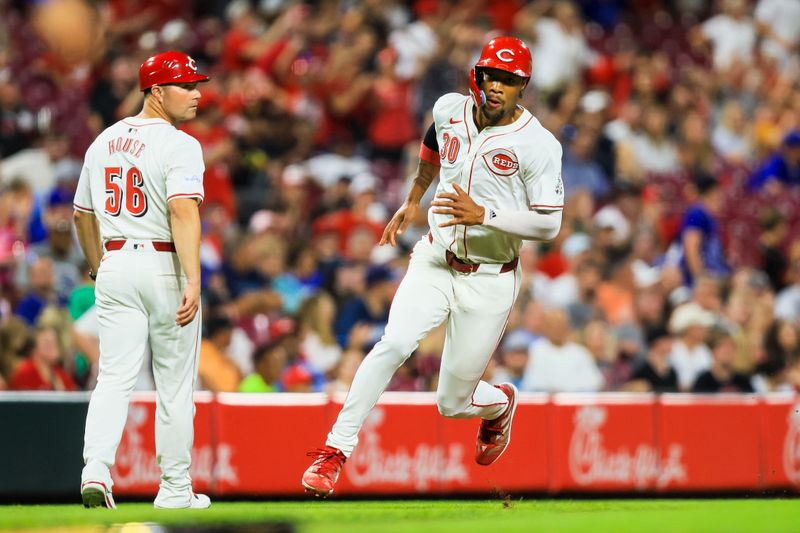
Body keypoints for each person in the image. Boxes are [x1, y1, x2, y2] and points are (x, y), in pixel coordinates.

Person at [302, 36, 564, 497]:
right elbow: (431, 146)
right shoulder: (448, 109)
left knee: (451, 403)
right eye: (492, 75)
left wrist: (487, 216)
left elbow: (549, 224)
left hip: (491, 275)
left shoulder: (538, 144)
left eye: (510, 79)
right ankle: (334, 452)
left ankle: (499, 404)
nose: (498, 85)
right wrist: (412, 198)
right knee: (394, 342)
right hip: (435, 258)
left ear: (523, 86)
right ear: (477, 75)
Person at [73, 51, 210, 510]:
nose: (196, 94)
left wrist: (98, 268)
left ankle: (95, 470)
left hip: (114, 263)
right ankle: (174, 489)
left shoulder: (102, 141)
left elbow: (81, 215)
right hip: (164, 265)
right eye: (185, 85)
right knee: (173, 385)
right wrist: (193, 277)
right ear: (155, 91)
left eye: (196, 84)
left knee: (113, 378)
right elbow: (182, 209)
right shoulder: (180, 143)